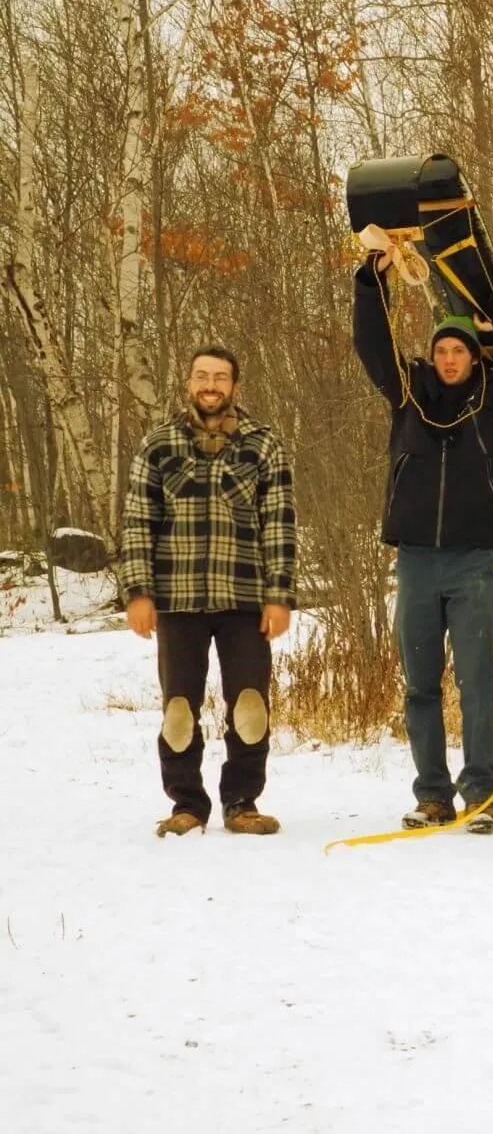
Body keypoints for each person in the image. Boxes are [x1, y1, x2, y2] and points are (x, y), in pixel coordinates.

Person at [353, 247, 493, 835]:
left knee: (477, 684)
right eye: (442, 349)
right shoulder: (408, 393)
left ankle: (481, 796)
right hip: (417, 562)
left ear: (473, 358)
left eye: (460, 350)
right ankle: (432, 796)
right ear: (432, 355)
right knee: (420, 685)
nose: (449, 359)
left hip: (473, 562)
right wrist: (371, 283)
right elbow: (372, 346)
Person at [119, 345, 297, 838]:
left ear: (235, 386)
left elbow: (279, 526)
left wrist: (279, 596)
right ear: (189, 384)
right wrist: (138, 592)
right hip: (177, 600)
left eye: (220, 377)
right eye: (202, 376)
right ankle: (187, 805)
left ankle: (242, 802)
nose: (211, 385)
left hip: (245, 599)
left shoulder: (263, 445)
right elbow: (137, 523)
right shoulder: (159, 445)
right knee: (178, 710)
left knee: (250, 707)